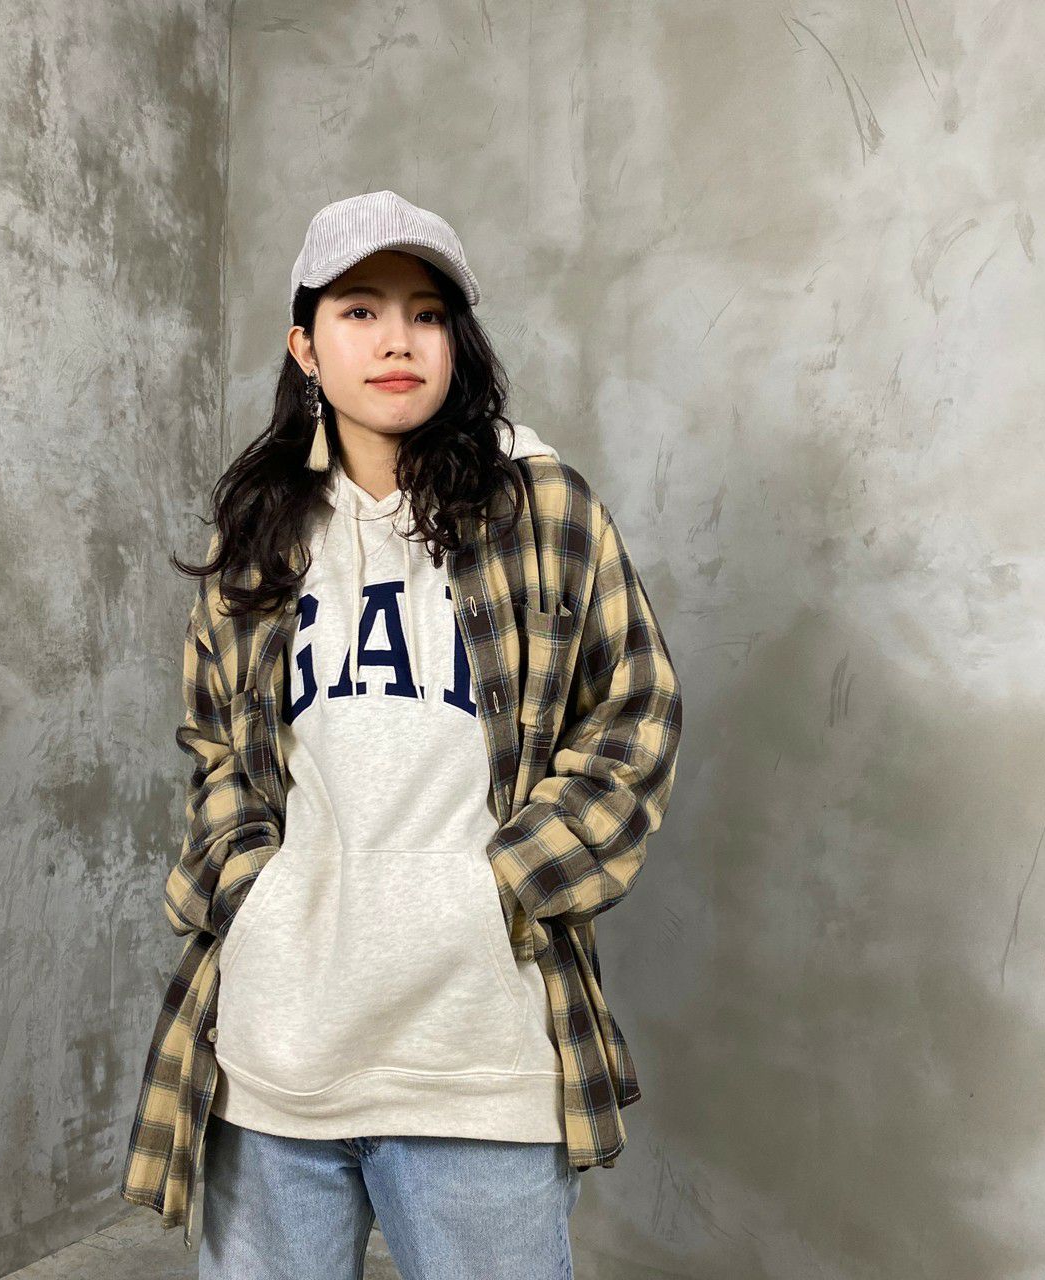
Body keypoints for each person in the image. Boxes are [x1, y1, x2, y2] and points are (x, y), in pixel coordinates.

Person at [134, 189, 683, 1277]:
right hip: (276, 1053)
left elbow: (635, 716)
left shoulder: (542, 511)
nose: (397, 339)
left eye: (426, 313)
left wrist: (499, 890)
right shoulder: (259, 539)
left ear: (455, 341)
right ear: (305, 345)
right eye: (359, 310)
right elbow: (214, 742)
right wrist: (254, 893)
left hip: (471, 1053)